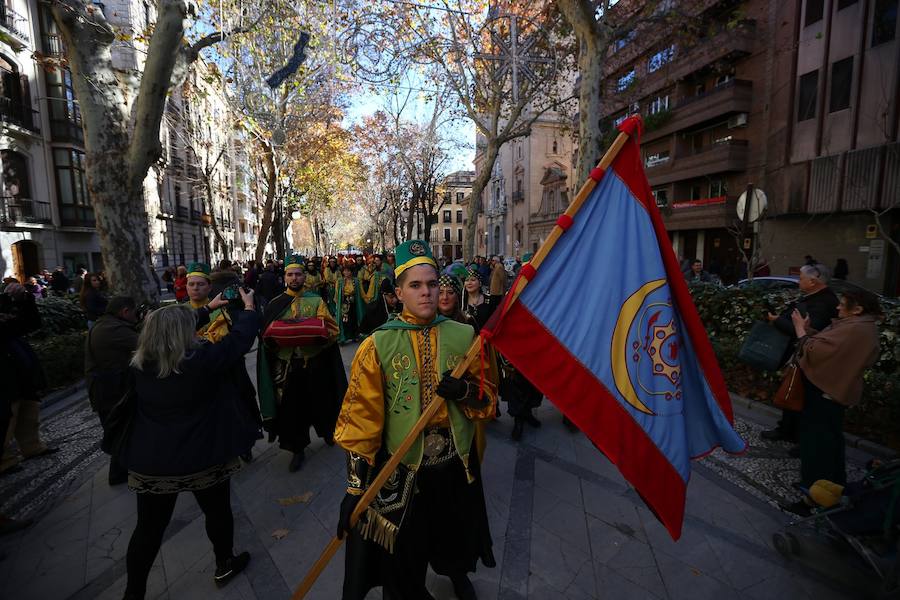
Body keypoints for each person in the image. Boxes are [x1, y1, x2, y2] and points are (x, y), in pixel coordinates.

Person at [334, 239, 497, 600]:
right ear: (398, 293)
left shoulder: (465, 335)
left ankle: (457, 574)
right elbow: (361, 422)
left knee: (455, 536)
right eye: (415, 285)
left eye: (432, 283)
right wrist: (354, 489)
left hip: (455, 464)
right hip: (403, 471)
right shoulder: (376, 346)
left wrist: (465, 393)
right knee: (405, 556)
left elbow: (488, 401)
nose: (426, 293)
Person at [122, 299, 260, 599]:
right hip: (203, 455)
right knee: (218, 511)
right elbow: (240, 340)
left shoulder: (139, 365)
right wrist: (249, 308)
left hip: (153, 458)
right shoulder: (202, 360)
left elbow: (169, 327)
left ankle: (133, 593)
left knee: (148, 528)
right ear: (183, 333)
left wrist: (206, 308)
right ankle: (224, 563)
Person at [784, 289, 881, 515]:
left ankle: (814, 497)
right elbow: (829, 345)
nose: (837, 307)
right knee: (830, 443)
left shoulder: (857, 329)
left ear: (857, 309)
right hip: (831, 393)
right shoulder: (859, 326)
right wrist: (809, 330)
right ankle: (833, 488)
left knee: (818, 447)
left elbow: (817, 351)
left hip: (826, 393)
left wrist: (800, 330)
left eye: (843, 304)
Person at [257, 255, 347, 472]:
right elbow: (266, 338)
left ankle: (327, 432)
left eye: (298, 274)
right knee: (293, 410)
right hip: (289, 368)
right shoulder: (274, 304)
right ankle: (297, 450)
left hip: (316, 364)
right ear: (285, 277)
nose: (295, 278)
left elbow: (333, 331)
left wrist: (316, 335)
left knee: (323, 402)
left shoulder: (316, 301)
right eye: (290, 274)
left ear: (304, 276)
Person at [762, 264, 840, 445]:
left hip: (811, 355)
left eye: (802, 278)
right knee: (793, 389)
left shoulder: (824, 302)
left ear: (813, 281)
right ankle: (786, 429)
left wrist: (778, 321)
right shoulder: (813, 297)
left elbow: (809, 331)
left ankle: (796, 434)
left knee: (800, 394)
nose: (799, 281)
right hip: (800, 353)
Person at [0, 282, 57, 475]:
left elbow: (31, 324)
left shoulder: (6, 304)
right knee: (9, 412)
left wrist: (24, 299)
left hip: (18, 366)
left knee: (28, 407)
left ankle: (32, 446)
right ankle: (5, 460)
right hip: (5, 371)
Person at [85, 296, 140, 485]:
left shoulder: (105, 324)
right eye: (134, 312)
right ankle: (118, 474)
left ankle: (121, 471)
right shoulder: (114, 329)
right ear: (125, 312)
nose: (136, 315)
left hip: (107, 388)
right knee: (119, 430)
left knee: (119, 429)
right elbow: (146, 344)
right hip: (110, 390)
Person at [335, 264, 366, 344]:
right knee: (345, 320)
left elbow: (361, 292)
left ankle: (354, 336)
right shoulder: (340, 281)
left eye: (348, 271)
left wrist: (367, 299)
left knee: (354, 319)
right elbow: (337, 293)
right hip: (344, 303)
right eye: (345, 271)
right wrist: (337, 303)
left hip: (353, 302)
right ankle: (344, 337)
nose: (346, 273)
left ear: (351, 272)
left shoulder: (356, 280)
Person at [462, 268, 498, 333]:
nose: (469, 283)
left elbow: (494, 322)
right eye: (466, 280)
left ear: (480, 283)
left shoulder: (489, 300)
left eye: (473, 280)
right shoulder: (461, 302)